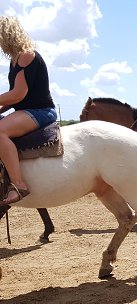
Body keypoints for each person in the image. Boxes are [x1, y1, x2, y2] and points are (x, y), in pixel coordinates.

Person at [0, 16, 57, 205]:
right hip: (27, 111)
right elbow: (15, 98)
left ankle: (18, 185)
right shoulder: (15, 60)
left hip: (41, 111)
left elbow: (18, 94)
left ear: (6, 36)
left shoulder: (26, 55)